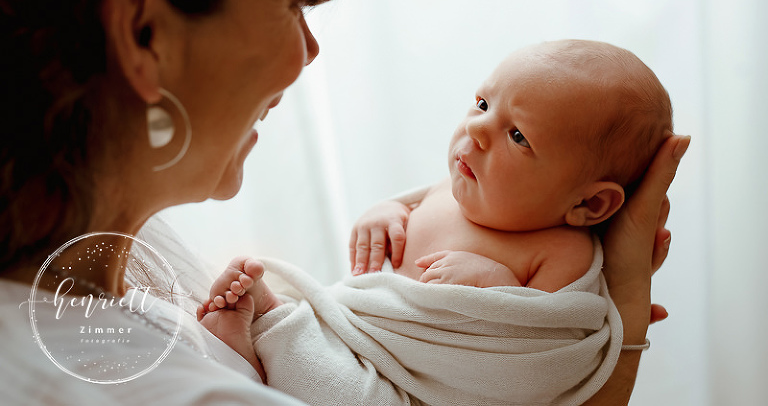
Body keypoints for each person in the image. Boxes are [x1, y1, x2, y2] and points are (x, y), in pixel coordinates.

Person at [0, 0, 689, 404]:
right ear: (145, 31)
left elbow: (528, 351)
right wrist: (624, 319)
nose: (310, 51)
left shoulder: (106, 256)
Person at [198, 39, 674, 404]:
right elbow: (401, 221)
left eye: (518, 136)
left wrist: (500, 283)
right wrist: (384, 214)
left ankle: (267, 340)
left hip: (418, 390)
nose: (476, 129)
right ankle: (270, 322)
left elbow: (542, 356)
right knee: (321, 345)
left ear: (589, 206)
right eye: (484, 105)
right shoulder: (452, 189)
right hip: (360, 331)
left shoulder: (563, 250)